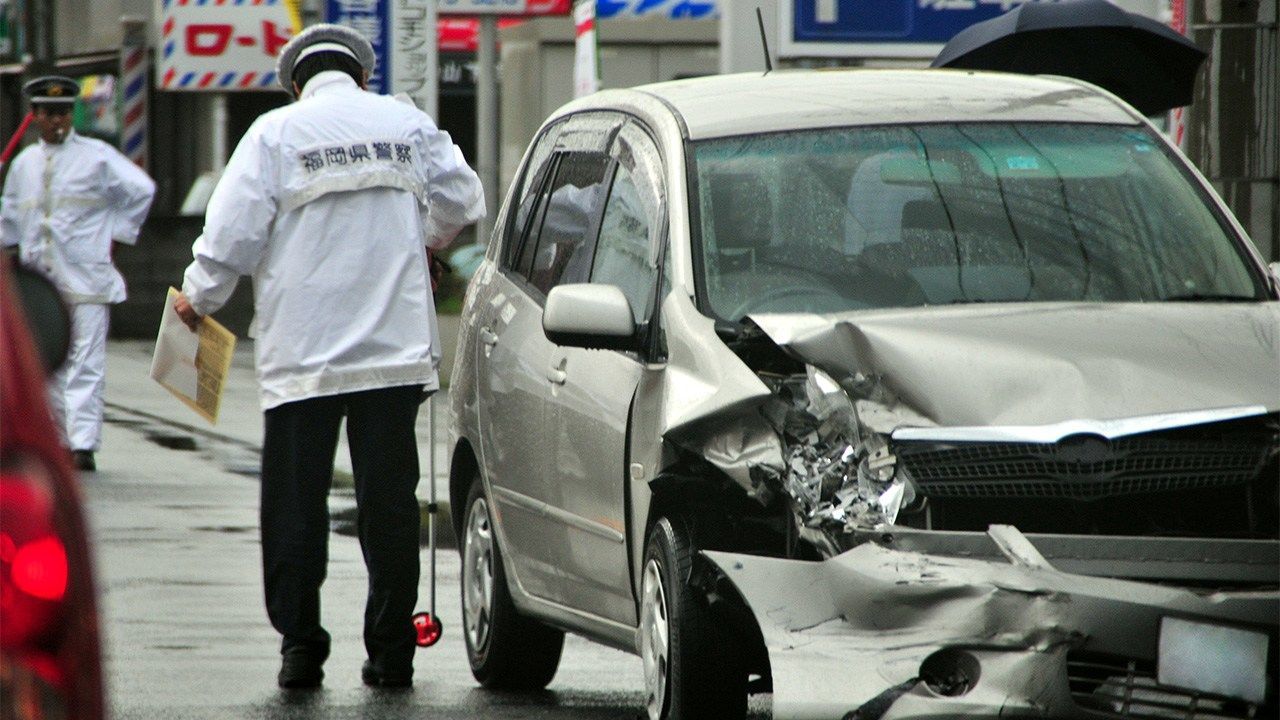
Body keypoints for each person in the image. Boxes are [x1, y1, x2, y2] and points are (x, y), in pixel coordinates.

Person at [172, 25, 484, 690]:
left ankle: (300, 650)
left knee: (295, 504)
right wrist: (421, 241)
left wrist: (198, 298)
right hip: (392, 354)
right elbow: (464, 198)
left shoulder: (274, 134)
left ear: (297, 83)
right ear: (362, 76)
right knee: (389, 505)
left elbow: (230, 235)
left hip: (302, 355)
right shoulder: (403, 122)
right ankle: (392, 653)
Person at [1, 75, 156, 472]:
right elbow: (10, 222)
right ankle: (57, 442)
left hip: (87, 279)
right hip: (43, 285)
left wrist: (117, 234)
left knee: (86, 363)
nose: (58, 120)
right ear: (34, 116)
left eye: (64, 112)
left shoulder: (98, 157)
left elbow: (141, 191)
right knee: (46, 365)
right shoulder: (23, 165)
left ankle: (83, 444)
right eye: (49, 112)